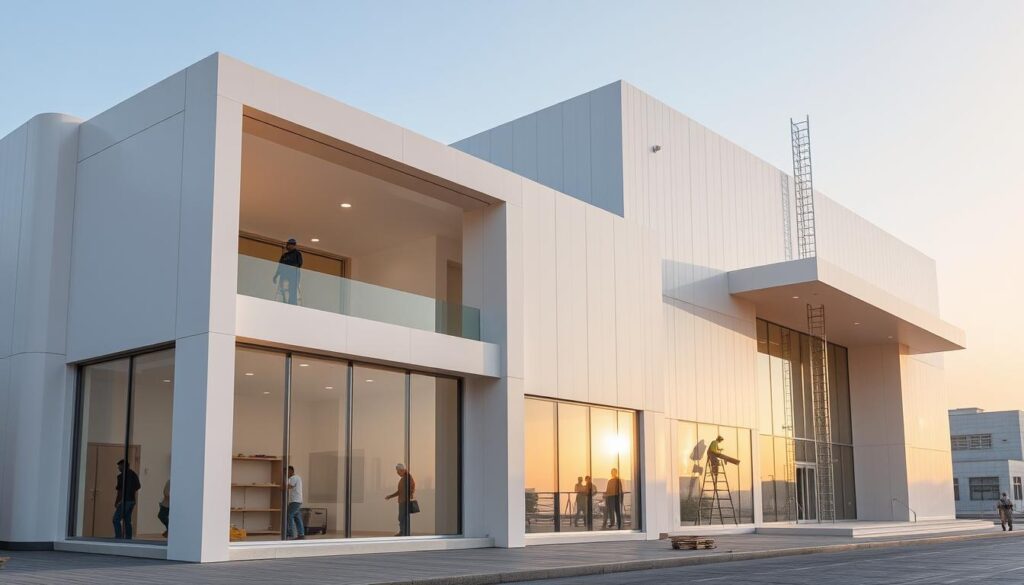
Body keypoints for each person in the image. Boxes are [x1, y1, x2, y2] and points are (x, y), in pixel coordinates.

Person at [385, 463, 416, 536]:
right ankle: (403, 532)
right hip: (402, 501)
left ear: (402, 470)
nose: (397, 473)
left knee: (403, 518)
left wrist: (410, 495)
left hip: (404, 501)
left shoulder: (408, 478)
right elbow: (400, 491)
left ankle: (404, 533)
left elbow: (412, 488)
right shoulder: (404, 478)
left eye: (398, 471)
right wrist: (390, 496)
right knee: (401, 518)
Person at [113, 459, 141, 539]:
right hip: (132, 501)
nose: (118, 468)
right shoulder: (133, 474)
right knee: (127, 520)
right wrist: (131, 491)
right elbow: (138, 486)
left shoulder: (121, 477)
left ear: (123, 466)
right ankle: (128, 539)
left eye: (119, 466)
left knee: (116, 519)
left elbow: (120, 491)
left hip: (125, 501)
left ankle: (118, 538)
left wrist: (117, 502)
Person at [273, 238, 303, 305]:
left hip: (293, 275)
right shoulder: (284, 255)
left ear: (293, 245)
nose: (287, 246)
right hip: (284, 275)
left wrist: (291, 268)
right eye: (287, 244)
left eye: (289, 245)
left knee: (292, 290)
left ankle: (292, 303)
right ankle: (284, 302)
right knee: (283, 289)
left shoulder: (297, 254)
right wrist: (276, 275)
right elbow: (280, 266)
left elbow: (299, 264)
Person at [286, 465, 305, 540]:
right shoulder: (295, 478)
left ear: (291, 471)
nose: (286, 473)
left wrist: (280, 487)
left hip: (295, 500)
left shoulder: (294, 478)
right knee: (297, 517)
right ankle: (301, 534)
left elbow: (289, 486)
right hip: (297, 500)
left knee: (289, 515)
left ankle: (290, 533)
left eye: (287, 471)